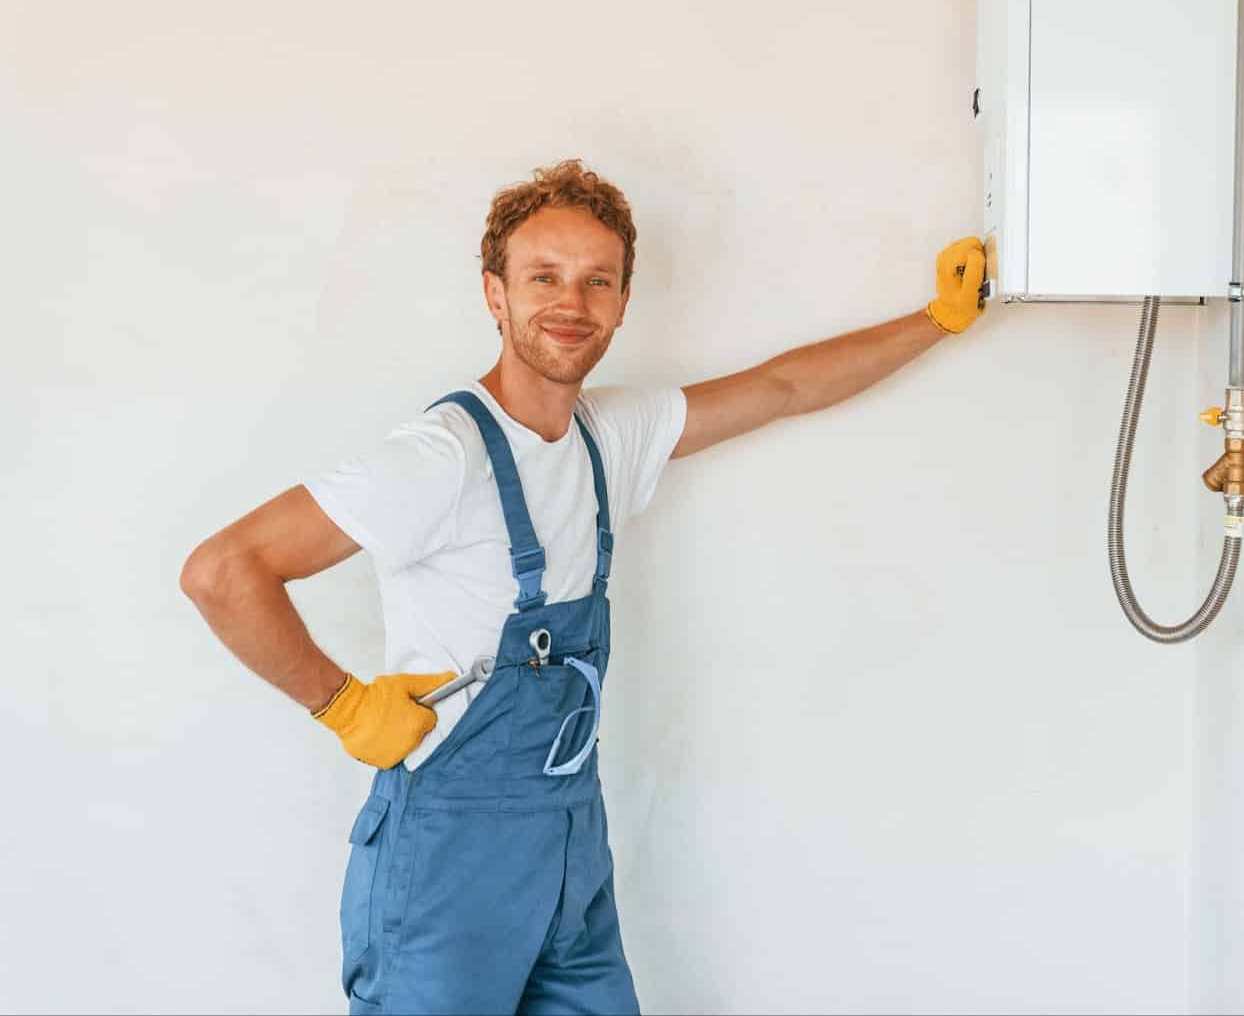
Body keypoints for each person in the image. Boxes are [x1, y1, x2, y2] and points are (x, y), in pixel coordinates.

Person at [179, 158, 987, 1015]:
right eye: (544, 277)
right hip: (447, 858)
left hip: (570, 849)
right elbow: (223, 570)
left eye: (597, 280)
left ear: (624, 300)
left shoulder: (609, 437)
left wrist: (938, 321)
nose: (572, 303)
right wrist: (342, 703)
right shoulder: (441, 456)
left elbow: (784, 386)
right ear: (495, 293)